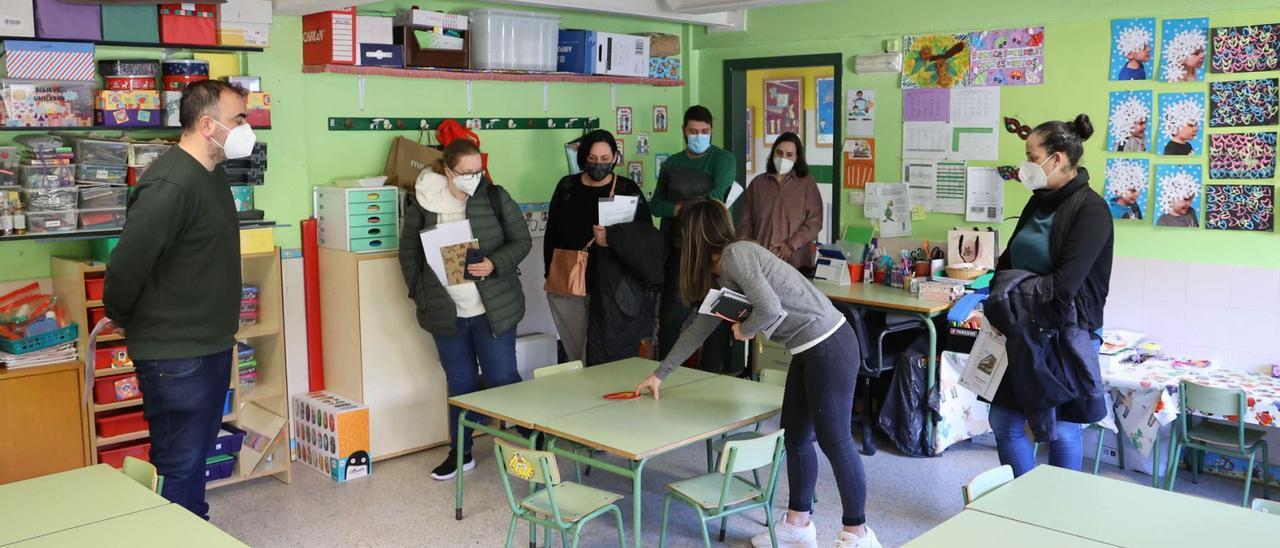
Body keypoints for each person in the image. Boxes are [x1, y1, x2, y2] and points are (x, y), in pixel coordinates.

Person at [635, 200, 881, 548]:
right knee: (794, 438)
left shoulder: (737, 254)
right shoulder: (722, 272)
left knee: (835, 441)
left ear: (693, 238)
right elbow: (699, 328)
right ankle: (798, 524)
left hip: (829, 344)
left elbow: (769, 308)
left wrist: (746, 330)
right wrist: (660, 374)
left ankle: (858, 534)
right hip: (808, 349)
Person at [102, 80, 250, 518]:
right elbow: (128, 265)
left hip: (211, 343)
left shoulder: (211, 174)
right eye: (238, 118)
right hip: (176, 353)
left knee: (197, 454)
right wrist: (120, 314)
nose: (247, 127)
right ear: (208, 125)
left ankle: (193, 528)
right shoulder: (170, 183)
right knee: (179, 462)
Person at [398, 139, 532, 481]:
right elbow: (409, 254)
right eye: (466, 172)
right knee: (460, 383)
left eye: (478, 170)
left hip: (493, 308)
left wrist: (494, 263)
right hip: (447, 311)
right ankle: (461, 452)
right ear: (447, 171)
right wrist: (420, 293)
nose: (474, 177)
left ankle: (523, 445)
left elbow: (522, 241)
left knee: (503, 377)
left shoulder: (494, 197)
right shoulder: (425, 203)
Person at [987, 114, 1112, 477]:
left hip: (1064, 334)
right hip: (1022, 330)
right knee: (1004, 422)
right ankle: (1028, 502)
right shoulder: (1037, 202)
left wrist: (1011, 290)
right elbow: (1005, 264)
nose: (1026, 164)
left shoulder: (1092, 211)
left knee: (1062, 427)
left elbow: (1064, 287)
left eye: (1031, 155)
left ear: (1056, 159)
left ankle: (1060, 514)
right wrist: (1007, 291)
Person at [543, 130, 662, 364]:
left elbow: (646, 237)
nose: (599, 164)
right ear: (583, 158)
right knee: (578, 352)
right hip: (570, 282)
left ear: (615, 158)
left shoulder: (627, 189)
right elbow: (552, 233)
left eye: (605, 159)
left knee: (604, 351)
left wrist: (614, 239)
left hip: (613, 284)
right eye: (593, 159)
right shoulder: (567, 186)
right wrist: (549, 272)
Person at [651, 105, 738, 373]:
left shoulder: (723, 160)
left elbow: (715, 198)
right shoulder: (672, 163)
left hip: (715, 252)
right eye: (693, 131)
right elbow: (656, 205)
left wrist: (681, 204)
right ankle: (663, 375)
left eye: (705, 132)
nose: (699, 136)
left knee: (716, 315)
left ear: (712, 131)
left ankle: (713, 376)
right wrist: (678, 208)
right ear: (684, 132)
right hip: (680, 250)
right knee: (671, 318)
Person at [737, 132, 823, 273]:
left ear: (796, 158)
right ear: (773, 154)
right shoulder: (758, 184)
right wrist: (750, 250)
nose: (783, 158)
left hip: (797, 264)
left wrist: (790, 245)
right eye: (779, 153)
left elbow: (815, 222)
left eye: (789, 155)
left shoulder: (807, 184)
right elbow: (745, 224)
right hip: (761, 264)